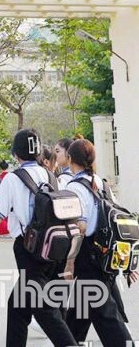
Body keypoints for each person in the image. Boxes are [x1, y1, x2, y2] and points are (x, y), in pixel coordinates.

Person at [0, 129, 77, 347]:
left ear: (16, 154)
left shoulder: (13, 179)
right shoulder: (50, 175)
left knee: (43, 308)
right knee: (17, 306)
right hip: (54, 247)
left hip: (29, 249)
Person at [62, 138, 135, 346]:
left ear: (70, 158)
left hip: (88, 256)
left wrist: (69, 263)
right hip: (106, 253)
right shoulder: (100, 183)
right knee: (79, 312)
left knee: (106, 317)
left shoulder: (74, 187)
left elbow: (80, 228)